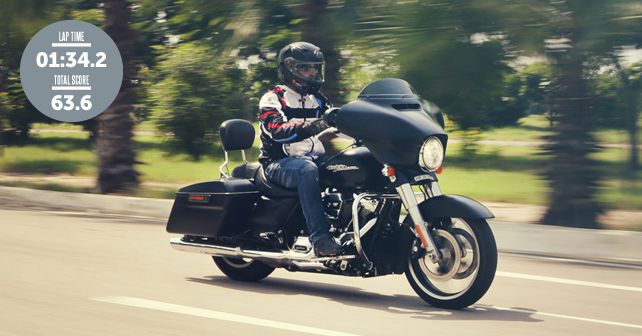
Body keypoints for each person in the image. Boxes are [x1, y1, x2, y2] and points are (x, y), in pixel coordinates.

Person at [257, 41, 342, 257]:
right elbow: (277, 131)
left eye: (315, 67)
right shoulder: (273, 97)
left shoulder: (318, 100)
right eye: (306, 67)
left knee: (349, 164)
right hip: (277, 164)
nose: (312, 72)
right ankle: (320, 239)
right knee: (307, 170)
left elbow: (340, 125)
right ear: (289, 69)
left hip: (311, 159)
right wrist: (314, 125)